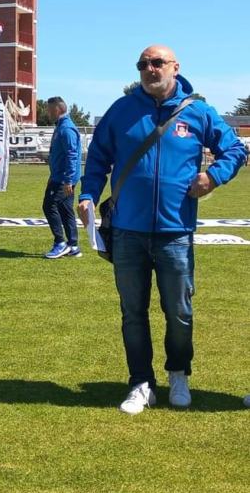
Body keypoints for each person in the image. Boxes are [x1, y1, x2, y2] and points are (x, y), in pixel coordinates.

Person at [78, 45, 246, 414]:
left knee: (179, 311)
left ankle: (179, 375)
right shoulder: (122, 111)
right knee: (132, 312)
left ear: (175, 67)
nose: (149, 69)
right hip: (127, 231)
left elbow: (235, 150)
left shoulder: (198, 112)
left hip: (175, 232)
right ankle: (141, 383)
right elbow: (98, 159)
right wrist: (89, 194)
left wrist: (213, 177)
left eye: (157, 63)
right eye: (143, 64)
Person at [42, 96, 82, 259]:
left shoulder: (66, 129)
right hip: (60, 176)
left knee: (49, 206)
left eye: (50, 110)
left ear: (58, 109)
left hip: (62, 179)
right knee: (66, 210)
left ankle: (60, 243)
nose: (48, 113)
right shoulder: (62, 126)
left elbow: (72, 155)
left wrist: (68, 179)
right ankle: (73, 245)